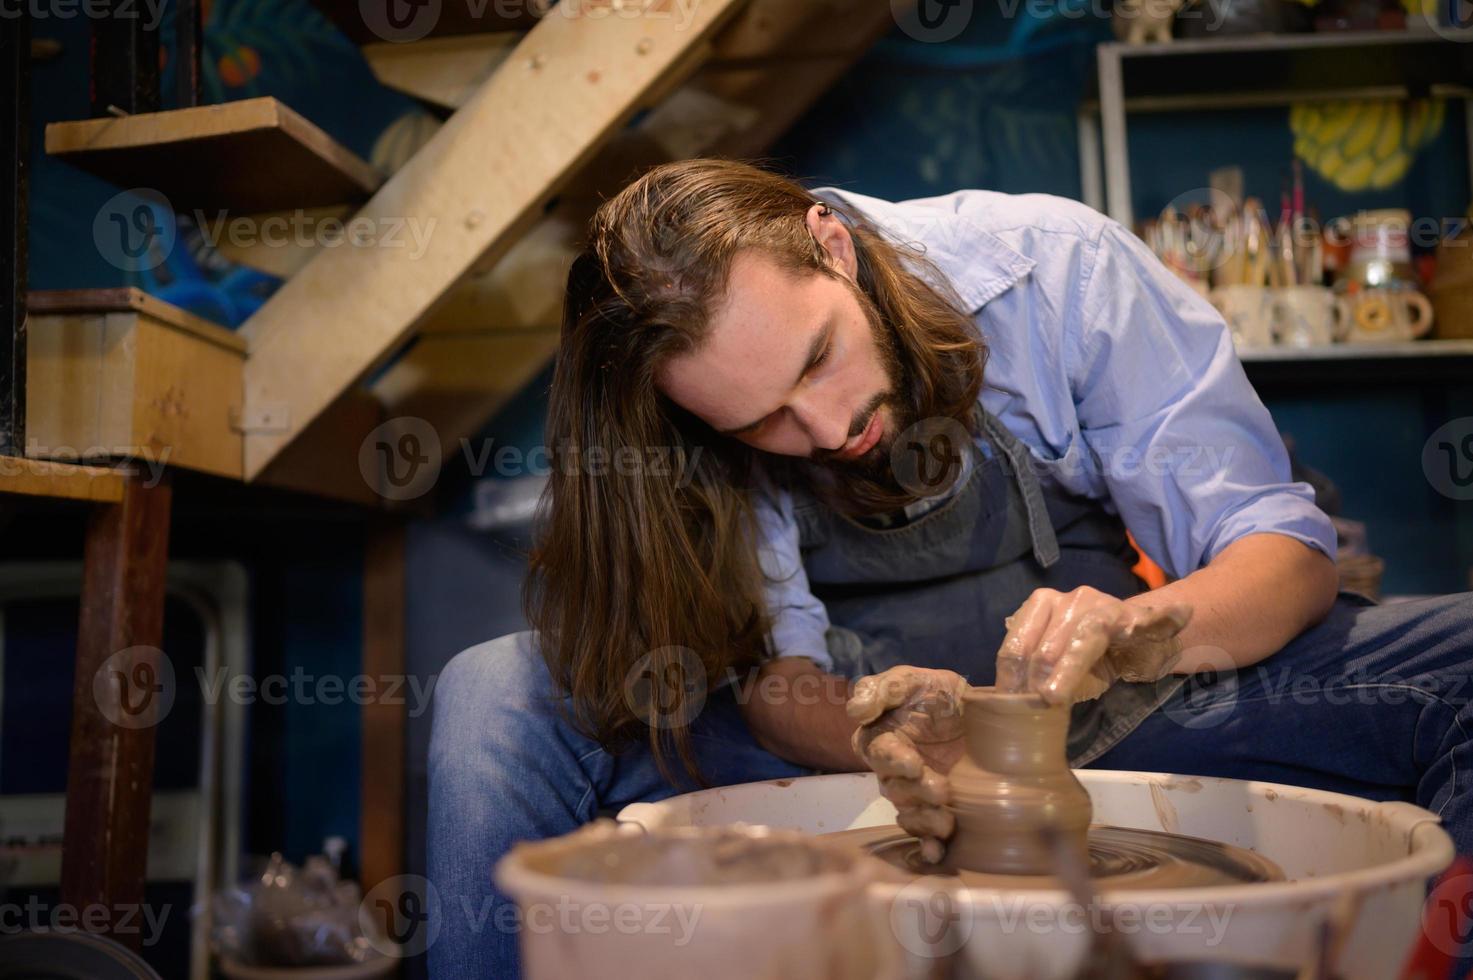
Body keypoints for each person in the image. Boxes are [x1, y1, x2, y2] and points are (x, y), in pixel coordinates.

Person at [427, 158, 1473, 976]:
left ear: (830, 246)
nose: (830, 427)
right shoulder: (683, 421)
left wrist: (1142, 629)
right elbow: (772, 678)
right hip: (855, 745)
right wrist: (875, 733)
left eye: (817, 360)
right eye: (765, 421)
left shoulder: (1054, 271)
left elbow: (1285, 556)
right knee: (496, 691)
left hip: (1126, 701)